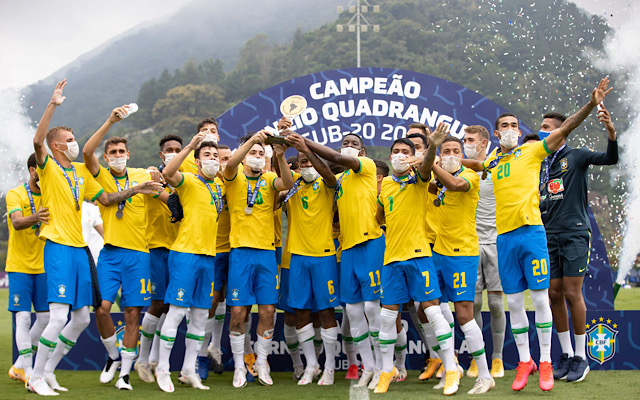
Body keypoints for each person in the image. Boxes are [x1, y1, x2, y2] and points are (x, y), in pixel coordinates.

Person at [464, 77, 612, 392]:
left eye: (514, 125)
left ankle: (546, 361)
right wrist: (435, 158)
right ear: (496, 132)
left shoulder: (532, 153)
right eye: (503, 125)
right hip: (504, 240)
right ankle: (524, 361)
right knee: (515, 304)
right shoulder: (492, 161)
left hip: (532, 235)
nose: (509, 129)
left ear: (519, 132)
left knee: (544, 299)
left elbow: (566, 129)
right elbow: (472, 164)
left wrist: (591, 102)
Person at [28, 80, 162, 396]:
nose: (74, 143)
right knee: (59, 315)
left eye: (73, 138)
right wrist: (53, 105)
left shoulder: (79, 173)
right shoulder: (48, 167)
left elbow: (107, 200)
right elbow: (38, 142)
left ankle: (47, 372)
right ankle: (34, 377)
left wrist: (137, 189)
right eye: (70, 140)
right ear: (57, 145)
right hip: (58, 246)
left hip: (81, 250)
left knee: (79, 319)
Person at [539, 107, 618, 383]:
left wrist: (610, 131)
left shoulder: (577, 155)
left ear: (562, 130)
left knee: (573, 293)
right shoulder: (541, 161)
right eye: (542, 126)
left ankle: (582, 358)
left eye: (548, 127)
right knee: (554, 293)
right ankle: (566, 355)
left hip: (574, 233)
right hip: (549, 234)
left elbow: (610, 158)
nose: (543, 131)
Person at [82, 106, 158, 390]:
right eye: (112, 153)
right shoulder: (100, 174)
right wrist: (111, 121)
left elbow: (162, 188)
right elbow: (87, 152)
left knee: (132, 314)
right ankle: (113, 357)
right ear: (106, 157)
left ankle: (125, 374)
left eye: (121, 152)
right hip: (110, 253)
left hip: (139, 255)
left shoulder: (142, 173)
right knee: (101, 309)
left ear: (129, 154)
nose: (117, 156)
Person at [374, 128, 455, 394]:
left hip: (419, 256)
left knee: (432, 312)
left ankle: (451, 367)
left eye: (405, 152)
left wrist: (431, 147)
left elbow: (427, 166)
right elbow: (380, 216)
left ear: (413, 157)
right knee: (386, 318)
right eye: (395, 152)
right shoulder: (385, 184)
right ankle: (386, 370)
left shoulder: (420, 178)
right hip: (391, 260)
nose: (399, 156)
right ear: (389, 156)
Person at [302, 133, 385, 389]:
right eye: (346, 143)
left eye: (354, 144)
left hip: (370, 242)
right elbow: (325, 170)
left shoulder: (367, 167)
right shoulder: (339, 179)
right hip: (347, 248)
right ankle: (368, 367)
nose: (348, 147)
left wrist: (303, 142)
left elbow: (335, 158)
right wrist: (301, 149)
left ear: (362, 152)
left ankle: (384, 367)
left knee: (372, 308)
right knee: (352, 311)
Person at [223, 129, 293, 388]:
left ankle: (262, 364)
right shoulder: (234, 177)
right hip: (240, 252)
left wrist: (281, 157)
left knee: (268, 310)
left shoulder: (270, 178)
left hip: (266, 253)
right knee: (239, 312)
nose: (256, 157)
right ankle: (240, 366)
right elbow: (230, 164)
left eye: (260, 154)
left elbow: (286, 183)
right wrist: (253, 140)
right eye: (252, 153)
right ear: (244, 157)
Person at [156, 133, 225, 392]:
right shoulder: (189, 181)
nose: (213, 160)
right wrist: (192, 146)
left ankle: (188, 370)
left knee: (199, 317)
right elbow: (169, 171)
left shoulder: (218, 187)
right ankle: (163, 368)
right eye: (207, 156)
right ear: (197, 162)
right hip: (185, 253)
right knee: (175, 313)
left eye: (215, 156)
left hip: (208, 257)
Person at [430, 134, 495, 394]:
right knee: (431, 308)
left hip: (462, 254)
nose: (450, 155)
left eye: (455, 151)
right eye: (445, 151)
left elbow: (455, 185)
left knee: (464, 315)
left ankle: (485, 375)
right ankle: (451, 368)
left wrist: (430, 161)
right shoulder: (435, 180)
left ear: (461, 155)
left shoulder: (468, 176)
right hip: (436, 252)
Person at [282, 133, 339, 385]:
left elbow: (327, 174)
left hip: (324, 256)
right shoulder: (291, 185)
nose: (306, 166)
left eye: (309, 161)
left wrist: (307, 150)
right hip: (297, 258)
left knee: (326, 312)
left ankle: (329, 366)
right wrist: (279, 148)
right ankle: (311, 365)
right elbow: (280, 170)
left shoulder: (327, 184)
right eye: (302, 162)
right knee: (301, 312)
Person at [135, 134, 183, 382]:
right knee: (157, 304)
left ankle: (154, 360)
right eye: (169, 150)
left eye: (178, 149)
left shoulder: (185, 180)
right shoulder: (150, 177)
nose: (173, 152)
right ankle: (142, 360)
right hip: (156, 248)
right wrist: (153, 170)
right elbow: (177, 205)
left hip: (181, 250)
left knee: (172, 306)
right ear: (161, 155)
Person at [463, 125, 506, 379]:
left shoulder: (495, 164)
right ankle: (477, 359)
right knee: (475, 303)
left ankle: (498, 359)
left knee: (497, 304)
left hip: (495, 243)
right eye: (464, 139)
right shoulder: (459, 169)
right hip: (469, 244)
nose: (466, 143)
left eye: (470, 140)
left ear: (483, 143)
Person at [6, 154, 50, 384]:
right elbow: (17, 222)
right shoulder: (16, 194)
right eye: (43, 169)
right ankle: (28, 370)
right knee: (23, 318)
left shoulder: (51, 194)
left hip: (44, 266)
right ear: (33, 170)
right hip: (19, 265)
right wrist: (37, 217)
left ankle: (19, 366)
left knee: (45, 318)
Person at [199, 144, 233, 379]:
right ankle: (202, 354)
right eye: (220, 158)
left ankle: (217, 347)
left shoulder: (236, 182)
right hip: (213, 250)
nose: (224, 162)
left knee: (236, 304)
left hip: (237, 250)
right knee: (211, 302)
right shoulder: (207, 184)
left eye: (229, 159)